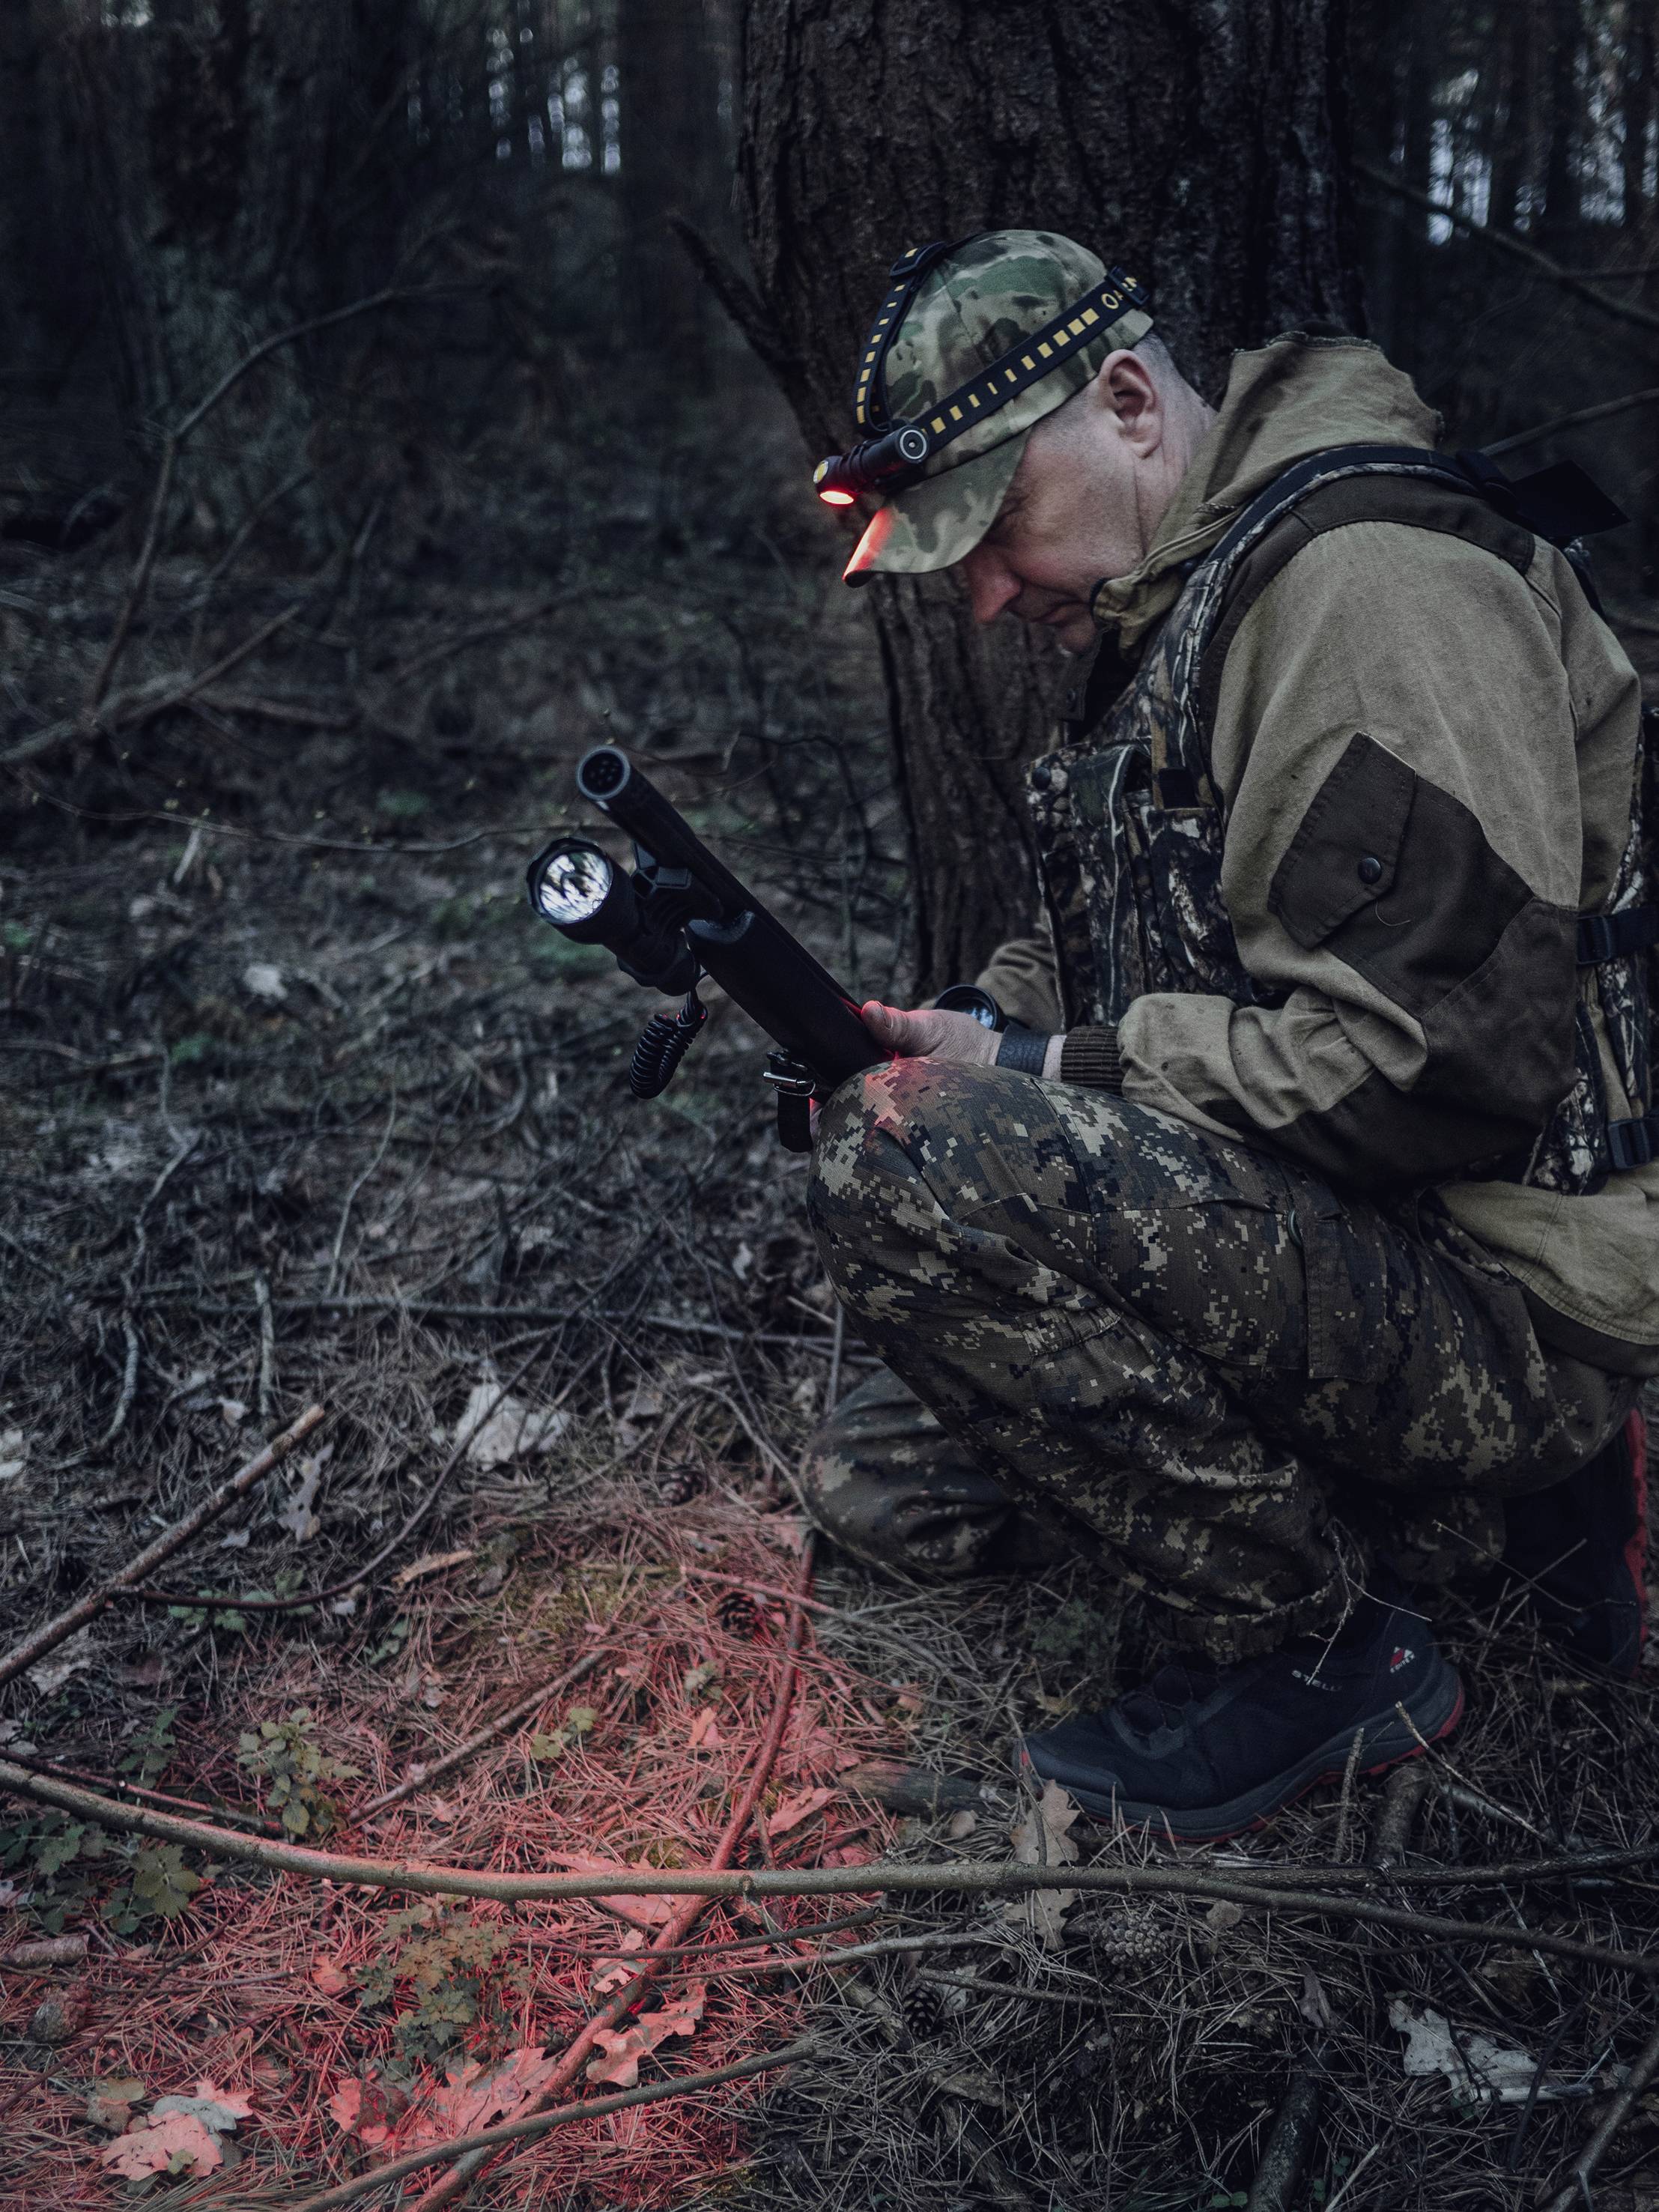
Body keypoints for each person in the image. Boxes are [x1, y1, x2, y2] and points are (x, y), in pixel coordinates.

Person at [798, 229, 1658, 1840]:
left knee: (908, 1161)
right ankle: (1470, 1526)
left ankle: (1325, 1656)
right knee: (890, 1489)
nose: (982, 594)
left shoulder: (1371, 595)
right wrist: (969, 1023)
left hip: (1508, 1285)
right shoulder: (1192, 589)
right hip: (1359, 1228)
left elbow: (1436, 1064)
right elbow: (1131, 933)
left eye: (995, 529)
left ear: (1129, 404)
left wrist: (1037, 1086)